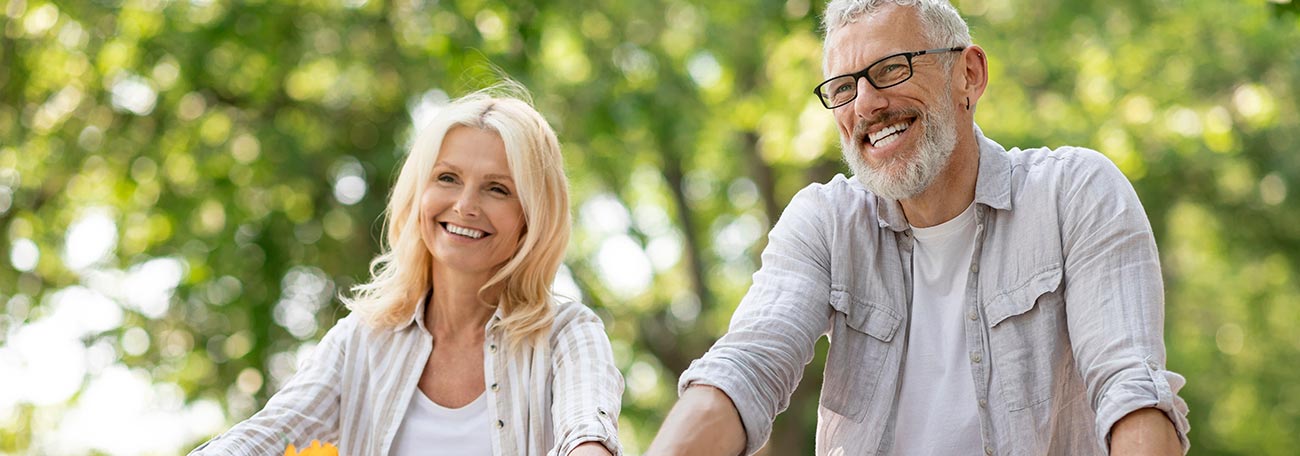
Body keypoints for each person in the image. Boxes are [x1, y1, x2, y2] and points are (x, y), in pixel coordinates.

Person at [646, 1, 1189, 455]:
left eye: (890, 69)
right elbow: (744, 370)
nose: (866, 104)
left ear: (967, 75)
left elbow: (1131, 389)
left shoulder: (1075, 192)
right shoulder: (825, 223)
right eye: (842, 87)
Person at [191, 87, 623, 456]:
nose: (465, 206)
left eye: (497, 189)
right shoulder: (362, 338)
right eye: (448, 178)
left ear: (531, 215)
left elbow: (587, 434)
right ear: (419, 191)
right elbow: (269, 432)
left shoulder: (569, 335)